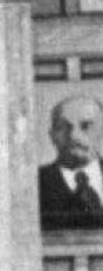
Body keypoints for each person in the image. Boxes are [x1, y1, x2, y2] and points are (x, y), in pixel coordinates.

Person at [38, 94, 103, 230]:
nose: (74, 136)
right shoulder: (34, 183)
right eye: (63, 127)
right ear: (52, 135)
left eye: (86, 126)